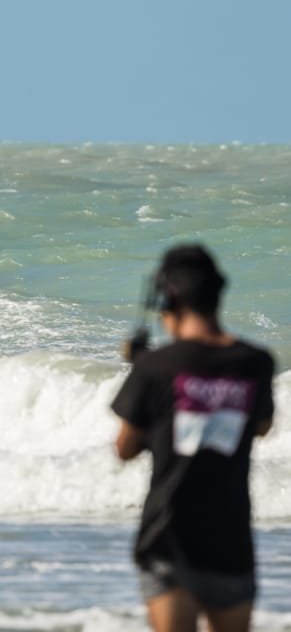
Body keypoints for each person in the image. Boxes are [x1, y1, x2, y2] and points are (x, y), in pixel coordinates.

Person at [111, 244, 275, 632]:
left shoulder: (156, 367)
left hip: (167, 534)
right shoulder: (255, 362)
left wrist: (142, 372)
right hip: (229, 538)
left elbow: (125, 448)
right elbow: (261, 427)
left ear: (168, 299)